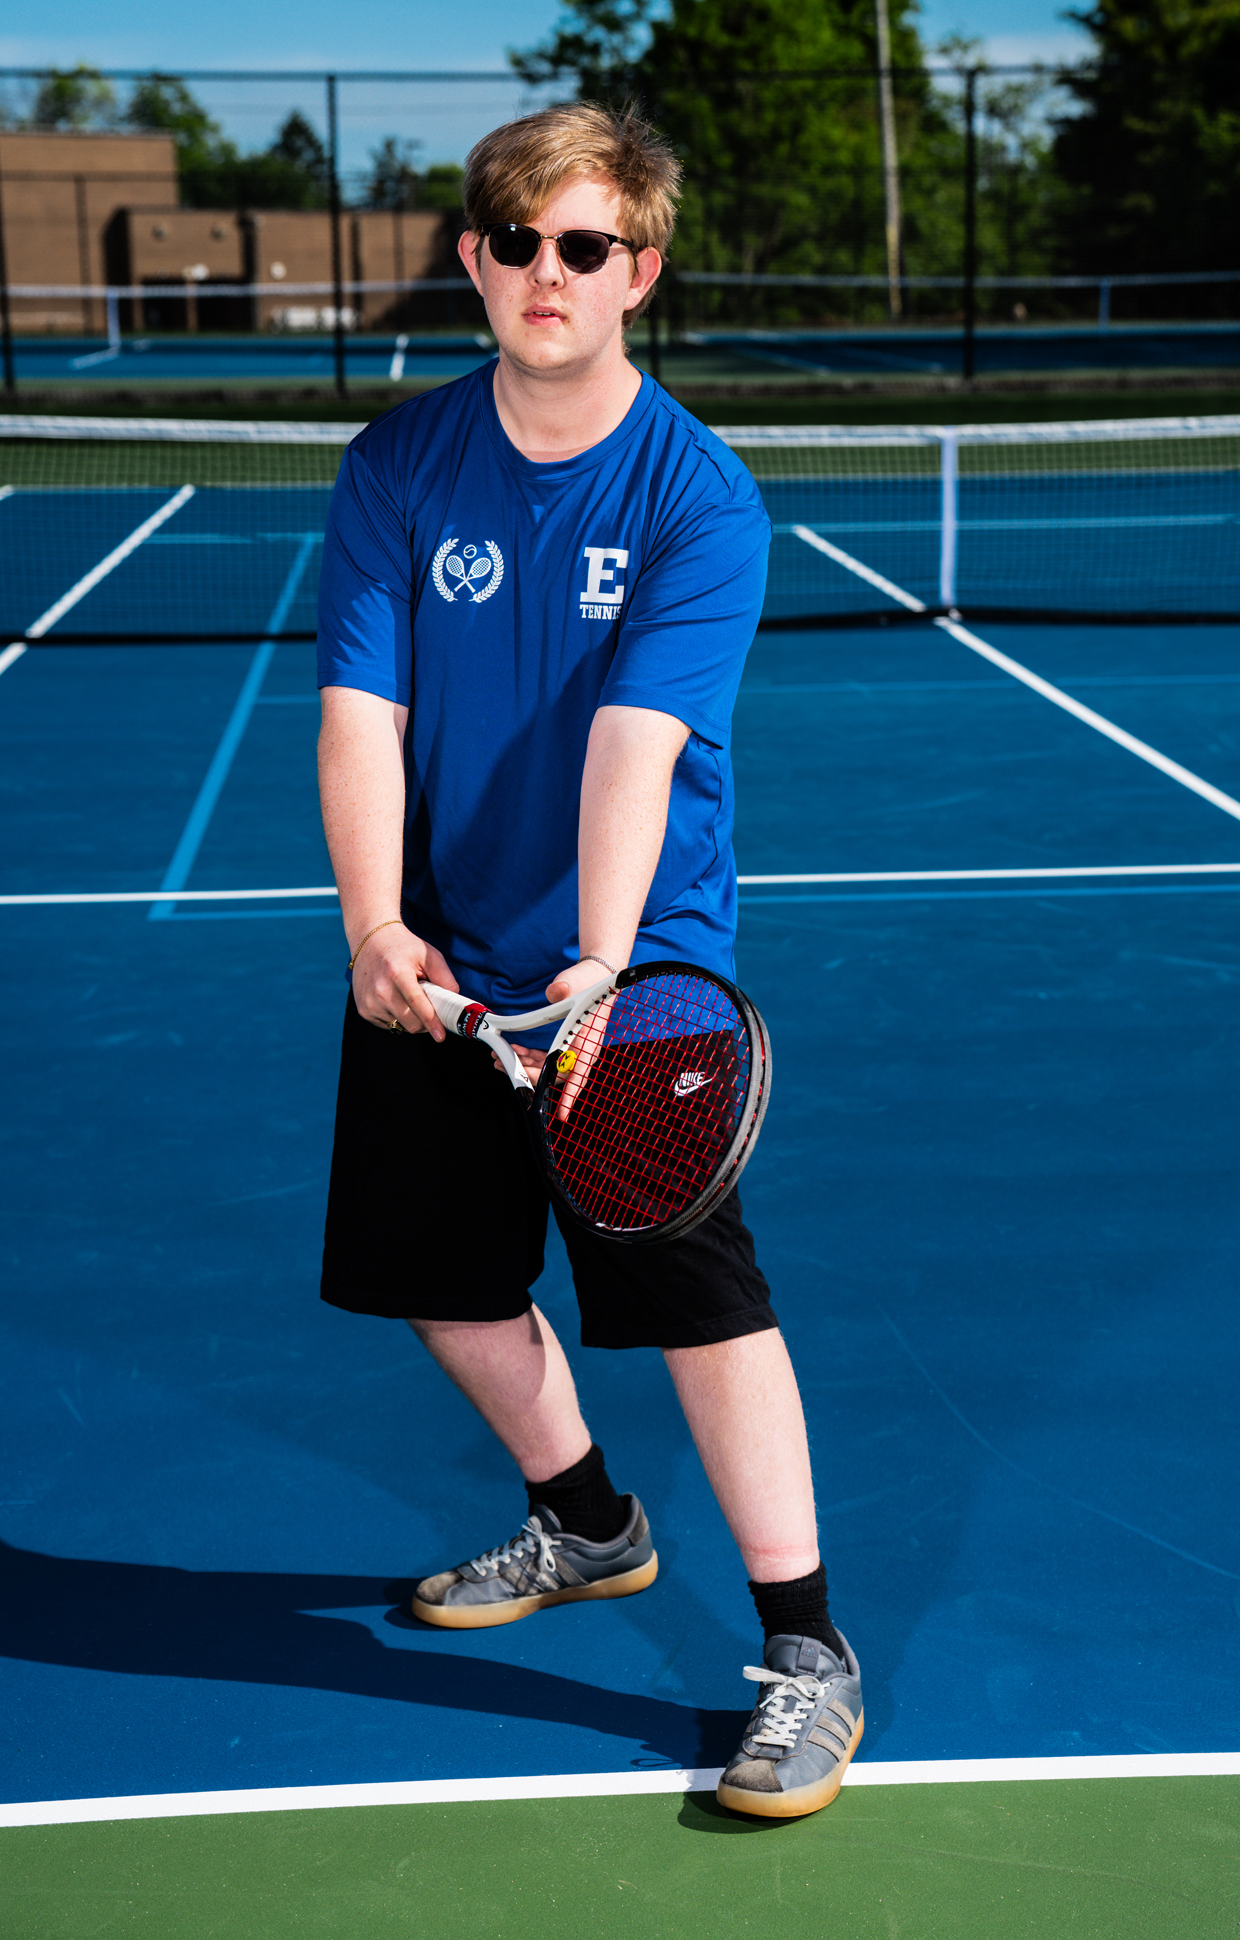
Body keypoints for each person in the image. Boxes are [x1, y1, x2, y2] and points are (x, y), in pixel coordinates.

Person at [315, 101, 862, 1820]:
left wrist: (609, 967)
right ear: (473, 261)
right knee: (438, 1279)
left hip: (638, 970)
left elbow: (637, 743)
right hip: (439, 952)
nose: (547, 272)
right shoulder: (398, 466)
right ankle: (587, 1524)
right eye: (518, 241)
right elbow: (358, 711)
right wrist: (373, 922)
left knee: (700, 1309)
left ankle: (809, 1653)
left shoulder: (696, 495)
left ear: (640, 270)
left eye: (585, 245)